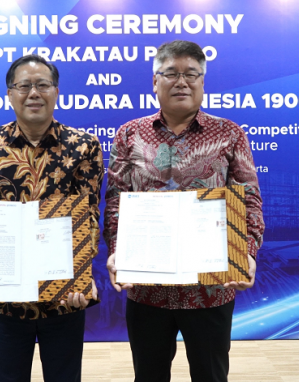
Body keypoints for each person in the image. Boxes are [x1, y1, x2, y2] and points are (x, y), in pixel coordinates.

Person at [104, 40, 264, 382]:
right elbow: (116, 200)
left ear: (202, 82)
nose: (181, 82)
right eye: (171, 73)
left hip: (210, 289)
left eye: (191, 74)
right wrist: (117, 251)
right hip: (147, 287)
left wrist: (248, 252)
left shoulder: (229, 134)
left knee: (210, 375)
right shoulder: (130, 134)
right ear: (154, 81)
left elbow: (249, 198)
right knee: (148, 376)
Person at [0, 54, 104, 382]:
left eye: (42, 85)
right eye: (24, 86)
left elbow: (89, 215)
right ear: (10, 93)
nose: (34, 93)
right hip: (6, 298)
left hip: (64, 295)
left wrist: (82, 277)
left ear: (56, 91)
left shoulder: (84, 146)